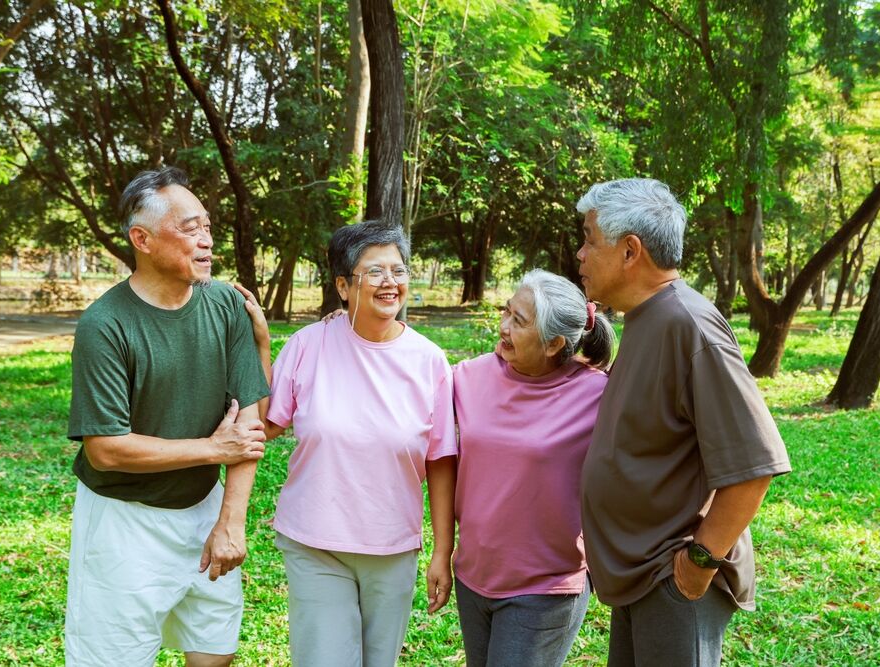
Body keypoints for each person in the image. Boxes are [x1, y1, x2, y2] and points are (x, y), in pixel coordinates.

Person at [575, 178, 792, 666]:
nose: (580, 253)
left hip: (672, 578)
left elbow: (754, 467)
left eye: (590, 238)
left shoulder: (687, 324)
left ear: (630, 251)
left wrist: (697, 566)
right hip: (641, 575)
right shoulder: (644, 318)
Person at [66, 166, 270, 667]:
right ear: (143, 239)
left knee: (213, 651)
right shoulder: (104, 325)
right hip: (125, 522)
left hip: (204, 507)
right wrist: (212, 449)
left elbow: (251, 417)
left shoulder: (225, 303)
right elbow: (106, 449)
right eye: (189, 228)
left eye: (206, 226)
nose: (205, 240)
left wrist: (231, 521)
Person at [239, 221, 457, 667]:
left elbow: (440, 460)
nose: (390, 282)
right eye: (374, 272)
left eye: (398, 270)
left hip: (392, 546)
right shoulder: (308, 344)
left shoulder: (429, 360)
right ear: (342, 285)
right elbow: (264, 425)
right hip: (315, 540)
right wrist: (262, 343)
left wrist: (442, 551)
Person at [452, 268, 614, 667]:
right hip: (473, 575)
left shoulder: (598, 393)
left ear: (554, 343)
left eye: (519, 321)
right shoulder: (468, 376)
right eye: (507, 311)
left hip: (546, 587)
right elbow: (404, 374)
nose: (504, 326)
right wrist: (350, 325)